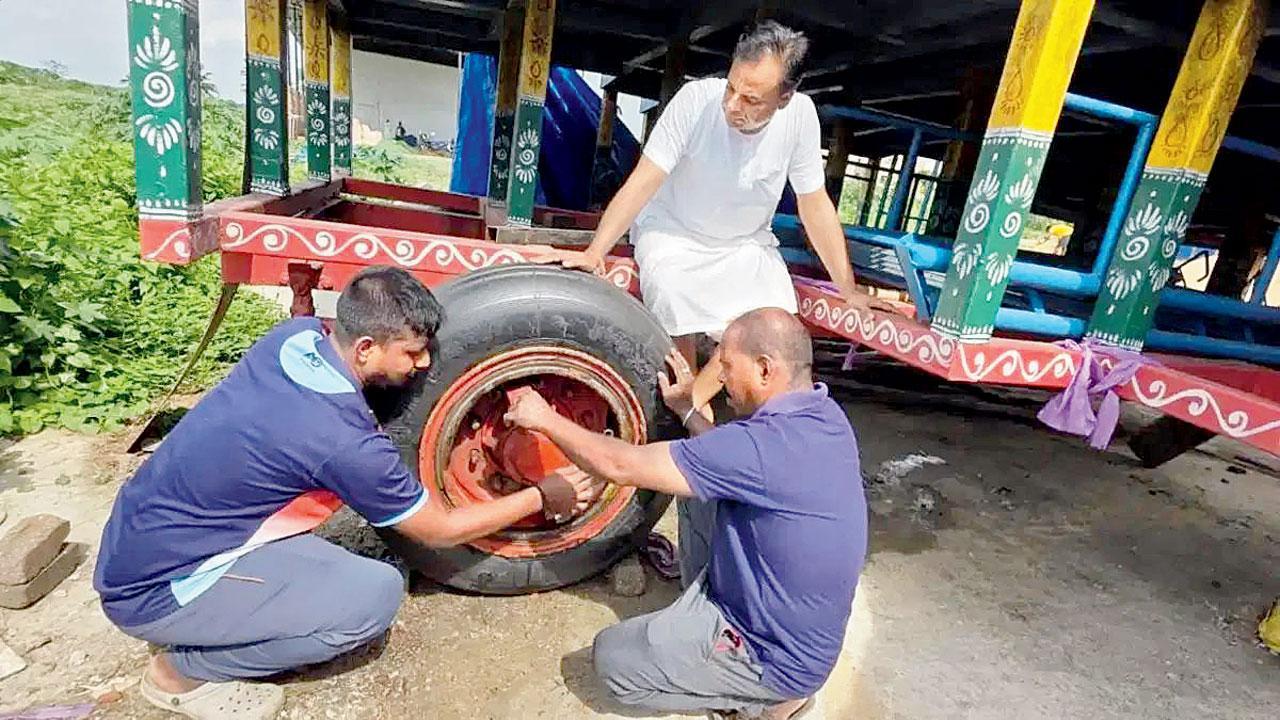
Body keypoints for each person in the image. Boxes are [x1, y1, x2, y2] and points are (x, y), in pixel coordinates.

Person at [94, 266, 597, 720]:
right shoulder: (341, 441)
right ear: (364, 349)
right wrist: (542, 494)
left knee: (347, 571)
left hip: (144, 533)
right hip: (156, 588)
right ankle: (182, 673)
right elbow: (439, 531)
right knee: (371, 600)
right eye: (411, 353)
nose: (423, 364)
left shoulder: (295, 338)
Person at [504, 308, 868, 720]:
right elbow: (731, 462)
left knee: (613, 662)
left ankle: (763, 705)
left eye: (727, 366)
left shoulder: (758, 447)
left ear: (765, 370)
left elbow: (622, 465)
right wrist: (688, 412)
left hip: (769, 657)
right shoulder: (823, 416)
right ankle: (703, 628)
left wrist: (544, 419)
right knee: (696, 489)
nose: (721, 378)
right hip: (793, 627)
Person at [563, 21, 892, 408]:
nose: (733, 105)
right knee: (674, 303)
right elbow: (643, 181)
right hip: (673, 232)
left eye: (751, 99)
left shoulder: (800, 116)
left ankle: (691, 406)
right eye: (731, 88)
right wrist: (594, 252)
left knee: (772, 323)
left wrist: (848, 288)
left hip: (745, 243)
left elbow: (814, 204)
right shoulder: (694, 101)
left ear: (784, 98)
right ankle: (680, 414)